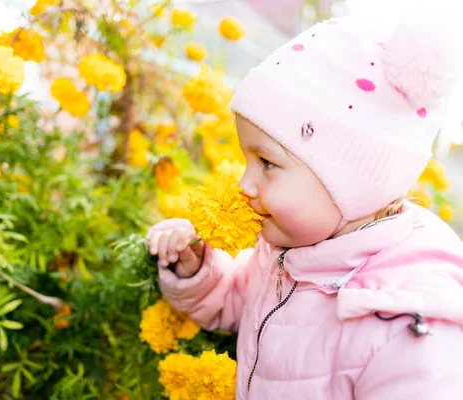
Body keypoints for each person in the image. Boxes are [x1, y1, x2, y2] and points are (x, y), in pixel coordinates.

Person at [147, 14, 463, 399]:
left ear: (352, 185)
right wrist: (197, 270)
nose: (245, 184)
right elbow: (236, 301)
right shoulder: (284, 253)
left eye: (267, 163)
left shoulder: (406, 326)